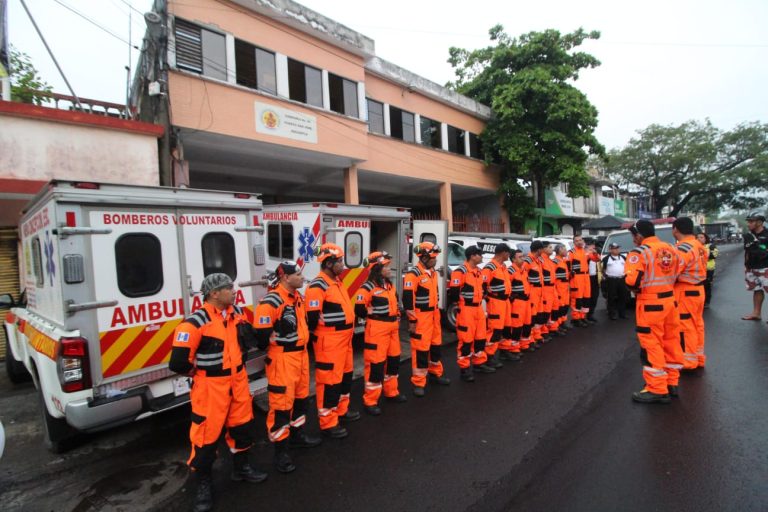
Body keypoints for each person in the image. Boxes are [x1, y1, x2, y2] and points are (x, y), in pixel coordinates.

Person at [169, 273, 267, 512]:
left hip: (239, 381)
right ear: (214, 293)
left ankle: (241, 468)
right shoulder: (194, 323)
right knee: (205, 438)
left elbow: (250, 341)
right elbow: (178, 363)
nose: (234, 292)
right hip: (211, 387)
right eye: (228, 288)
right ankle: (204, 484)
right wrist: (201, 375)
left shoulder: (238, 314)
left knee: (242, 427)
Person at [253, 262, 322, 474]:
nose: (302, 277)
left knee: (301, 400)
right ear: (285, 278)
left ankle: (297, 437)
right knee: (281, 407)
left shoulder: (297, 298)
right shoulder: (271, 302)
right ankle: (281, 452)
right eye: (298, 274)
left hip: (300, 356)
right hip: (282, 360)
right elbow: (260, 337)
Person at [625, 220, 684, 404]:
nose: (633, 239)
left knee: (651, 346)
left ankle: (657, 388)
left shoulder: (639, 253)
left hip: (650, 304)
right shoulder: (671, 249)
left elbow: (632, 281)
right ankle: (672, 383)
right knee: (671, 342)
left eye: (633, 236)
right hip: (670, 301)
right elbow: (680, 272)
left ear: (639, 235)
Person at [306, 243, 359, 439]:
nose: (342, 265)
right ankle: (328, 422)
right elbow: (311, 319)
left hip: (344, 340)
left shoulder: (337, 282)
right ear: (328, 263)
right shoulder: (317, 286)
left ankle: (341, 411)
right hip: (329, 341)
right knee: (329, 382)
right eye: (339, 261)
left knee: (345, 377)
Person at [355, 251, 408, 413]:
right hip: (376, 329)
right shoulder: (367, 287)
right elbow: (359, 309)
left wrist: (398, 316)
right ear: (377, 268)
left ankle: (391, 392)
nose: (389, 269)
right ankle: (370, 401)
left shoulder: (389, 285)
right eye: (386, 266)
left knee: (393, 361)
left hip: (392, 328)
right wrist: (373, 314)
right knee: (376, 365)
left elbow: (396, 304)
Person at [403, 242, 451, 397]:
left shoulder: (432, 273)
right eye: (432, 257)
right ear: (423, 257)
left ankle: (436, 373)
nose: (435, 260)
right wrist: (412, 320)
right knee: (421, 349)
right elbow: (408, 299)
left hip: (434, 315)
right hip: (421, 317)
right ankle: (418, 381)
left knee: (436, 345)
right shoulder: (413, 275)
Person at [449, 245, 494, 381]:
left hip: (478, 309)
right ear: (473, 256)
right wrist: (459, 306)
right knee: (466, 340)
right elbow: (454, 292)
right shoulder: (460, 271)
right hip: (466, 309)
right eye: (479, 255)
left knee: (480, 338)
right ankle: (464, 369)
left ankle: (479, 363)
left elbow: (482, 288)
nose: (481, 257)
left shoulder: (478, 271)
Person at [672, 218, 707, 370]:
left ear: (675, 229)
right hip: (698, 290)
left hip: (685, 291)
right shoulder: (699, 246)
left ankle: (688, 361)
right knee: (697, 324)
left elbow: (673, 271)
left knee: (685, 327)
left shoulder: (683, 248)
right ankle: (698, 357)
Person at [482, 243, 512, 366]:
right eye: (508, 253)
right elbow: (482, 286)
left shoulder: (503, 266)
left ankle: (504, 350)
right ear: (503, 253)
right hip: (496, 302)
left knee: (506, 328)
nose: (509, 255)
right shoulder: (490, 267)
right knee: (494, 330)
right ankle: (489, 356)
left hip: (505, 302)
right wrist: (489, 298)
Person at [742, 210, 768, 322]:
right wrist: (747, 265)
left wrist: (757, 245)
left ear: (759, 222)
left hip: (765, 267)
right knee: (757, 290)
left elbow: (764, 251)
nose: (748, 224)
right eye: (748, 221)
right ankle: (756, 313)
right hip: (752, 267)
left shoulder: (766, 235)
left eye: (751, 221)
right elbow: (747, 251)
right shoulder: (749, 235)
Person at [506, 249, 530, 359]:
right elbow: (507, 286)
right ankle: (513, 349)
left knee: (525, 324)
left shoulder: (523, 270)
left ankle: (520, 345)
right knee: (515, 326)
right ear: (513, 259)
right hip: (516, 302)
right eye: (520, 257)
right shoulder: (510, 271)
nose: (523, 258)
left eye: (523, 256)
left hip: (525, 301)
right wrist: (512, 298)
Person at [524, 241, 545, 347]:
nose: (543, 251)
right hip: (532, 291)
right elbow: (523, 277)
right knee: (531, 317)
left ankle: (536, 336)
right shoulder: (527, 261)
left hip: (539, 291)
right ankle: (530, 339)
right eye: (542, 249)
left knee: (538, 316)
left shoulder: (537, 260)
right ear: (538, 250)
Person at [601, 243, 629, 320]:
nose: (617, 250)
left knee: (623, 297)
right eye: (615, 248)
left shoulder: (623, 257)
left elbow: (627, 267)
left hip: (622, 279)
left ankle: (622, 314)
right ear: (610, 250)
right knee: (611, 298)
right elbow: (602, 269)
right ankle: (612, 314)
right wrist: (605, 278)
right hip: (611, 280)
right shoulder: (606, 259)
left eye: (618, 248)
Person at [553, 244, 572, 330]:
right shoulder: (555, 262)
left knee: (565, 306)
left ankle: (562, 322)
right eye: (563, 249)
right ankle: (558, 325)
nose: (565, 251)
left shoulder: (563, 261)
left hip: (565, 287)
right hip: (559, 287)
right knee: (560, 307)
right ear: (559, 251)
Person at [696, 232, 718, 308]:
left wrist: (703, 254)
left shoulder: (711, 246)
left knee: (707, 286)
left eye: (701, 237)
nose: (699, 239)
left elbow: (713, 255)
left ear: (706, 238)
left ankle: (707, 302)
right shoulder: (694, 246)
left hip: (708, 269)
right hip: (698, 270)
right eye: (698, 237)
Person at [585, 242, 601, 323]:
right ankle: (584, 315)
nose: (592, 250)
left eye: (593, 248)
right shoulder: (585, 257)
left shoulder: (596, 256)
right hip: (587, 278)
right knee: (587, 298)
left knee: (594, 297)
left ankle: (591, 314)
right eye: (590, 249)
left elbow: (600, 261)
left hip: (595, 278)